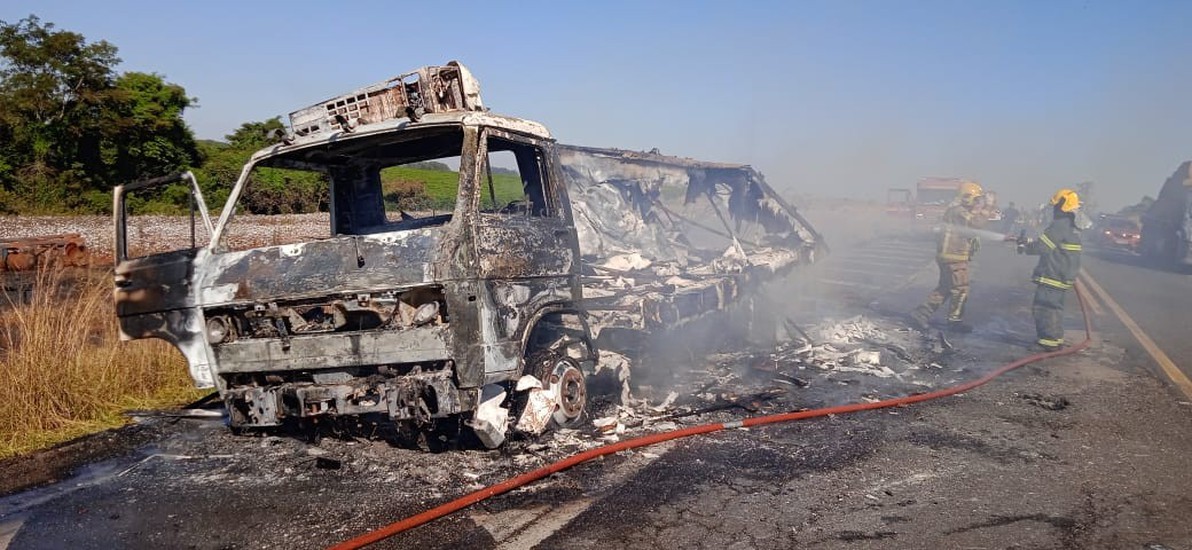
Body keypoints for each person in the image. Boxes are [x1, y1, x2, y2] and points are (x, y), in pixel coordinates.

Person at [911, 181, 989, 333]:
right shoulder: (959, 211)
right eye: (976, 199)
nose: (978, 203)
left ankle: (921, 314)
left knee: (945, 288)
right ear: (968, 197)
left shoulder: (957, 211)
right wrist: (987, 209)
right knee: (961, 288)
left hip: (950, 256)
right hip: (954, 257)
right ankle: (955, 321)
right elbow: (975, 223)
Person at [1018, 189, 1083, 351]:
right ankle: (1055, 339)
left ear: (1062, 206)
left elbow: (1043, 247)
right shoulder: (1071, 225)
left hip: (1052, 275)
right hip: (1061, 275)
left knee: (1044, 308)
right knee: (1054, 309)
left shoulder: (1059, 225)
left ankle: (1047, 342)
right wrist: (1029, 241)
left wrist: (1025, 247)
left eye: (1055, 206)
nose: (1054, 210)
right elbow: (1052, 244)